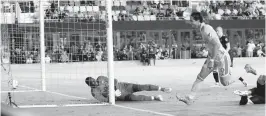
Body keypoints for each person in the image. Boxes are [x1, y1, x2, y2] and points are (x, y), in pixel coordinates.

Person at [176, 12, 235, 105]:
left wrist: (211, 60)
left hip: (222, 57)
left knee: (225, 83)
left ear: (198, 21)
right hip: (212, 56)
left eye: (192, 21)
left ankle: (245, 73)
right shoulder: (201, 28)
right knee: (200, 77)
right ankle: (190, 98)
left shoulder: (206, 28)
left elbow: (216, 44)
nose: (191, 23)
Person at [85, 76, 172, 102]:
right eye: (92, 83)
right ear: (90, 85)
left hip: (124, 86)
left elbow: (114, 80)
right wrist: (113, 95)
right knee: (134, 98)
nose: (95, 82)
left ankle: (162, 89)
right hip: (121, 96)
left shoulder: (100, 78)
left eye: (94, 80)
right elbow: (104, 100)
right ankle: (155, 97)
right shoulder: (94, 92)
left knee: (141, 87)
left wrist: (114, 88)